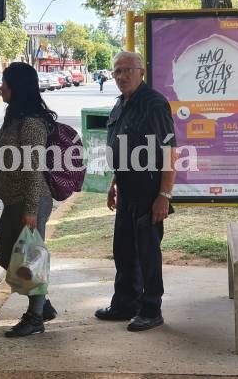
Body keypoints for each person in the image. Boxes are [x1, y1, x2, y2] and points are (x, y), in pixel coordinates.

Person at [0, 62, 58, 337]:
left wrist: (31, 211)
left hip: (30, 200)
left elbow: (34, 170)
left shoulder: (32, 124)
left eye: (4, 82)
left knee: (29, 260)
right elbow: (7, 153)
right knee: (4, 255)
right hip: (14, 200)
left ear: (16, 87)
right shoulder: (16, 118)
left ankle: (35, 318)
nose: (0, 87)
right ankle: (41, 303)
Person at [95, 51, 177, 332]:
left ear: (141, 72)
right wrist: (113, 183)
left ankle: (151, 308)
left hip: (149, 192)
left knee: (147, 253)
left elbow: (169, 152)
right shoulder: (120, 104)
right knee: (124, 251)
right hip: (126, 190)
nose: (121, 76)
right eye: (117, 71)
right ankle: (125, 303)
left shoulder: (154, 104)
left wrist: (163, 196)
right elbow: (122, 148)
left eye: (128, 70)